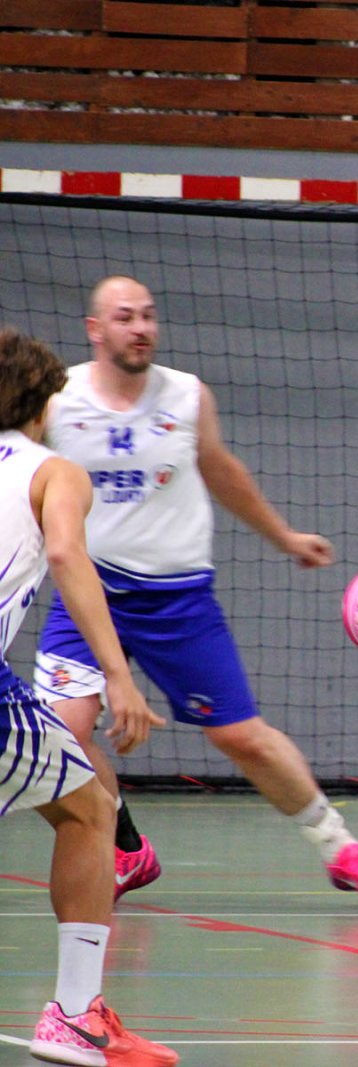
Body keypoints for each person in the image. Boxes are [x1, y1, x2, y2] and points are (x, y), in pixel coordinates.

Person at [32, 276, 358, 911]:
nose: (141, 327)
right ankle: (126, 848)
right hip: (88, 595)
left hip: (177, 601)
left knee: (240, 737)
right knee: (58, 739)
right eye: (125, 317)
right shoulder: (58, 399)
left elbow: (221, 470)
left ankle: (340, 848)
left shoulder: (186, 394)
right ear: (95, 330)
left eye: (148, 315)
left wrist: (284, 536)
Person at [0, 327, 180, 1066]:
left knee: (85, 802)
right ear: (45, 402)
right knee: (91, 811)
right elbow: (68, 554)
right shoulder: (54, 472)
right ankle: (75, 1015)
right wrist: (118, 674)